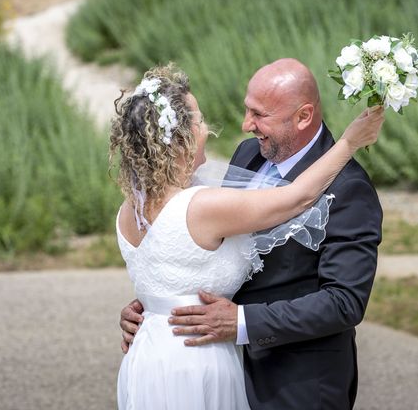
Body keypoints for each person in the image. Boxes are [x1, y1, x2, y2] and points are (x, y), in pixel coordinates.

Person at [118, 59, 384, 409]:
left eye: (259, 115)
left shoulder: (349, 187)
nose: (246, 126)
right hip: (207, 364)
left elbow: (344, 302)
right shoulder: (245, 157)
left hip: (297, 382)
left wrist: (241, 321)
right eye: (247, 110)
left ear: (303, 116)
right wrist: (158, 302)